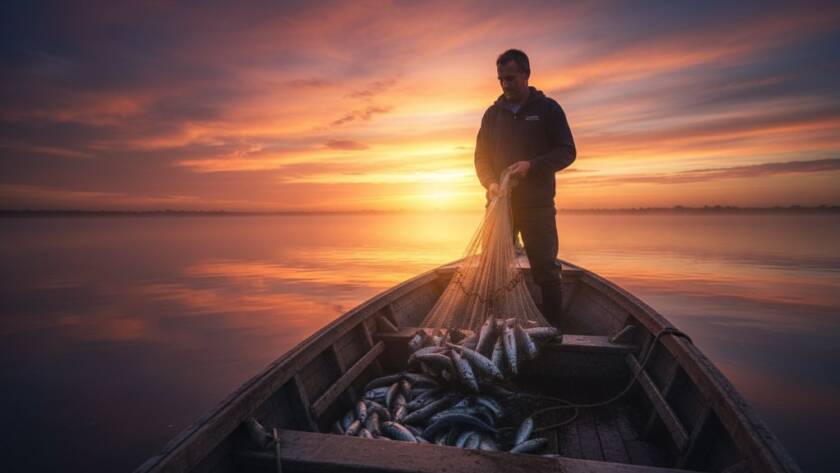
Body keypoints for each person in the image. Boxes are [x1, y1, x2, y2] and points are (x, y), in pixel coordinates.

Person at [473, 48, 577, 323]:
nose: (505, 84)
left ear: (526, 75)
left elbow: (566, 152)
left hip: (537, 206)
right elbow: (481, 158)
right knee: (492, 269)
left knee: (545, 270)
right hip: (498, 205)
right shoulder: (492, 115)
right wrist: (491, 183)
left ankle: (554, 332)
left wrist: (532, 166)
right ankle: (492, 328)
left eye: (510, 77)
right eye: (501, 79)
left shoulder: (548, 109)